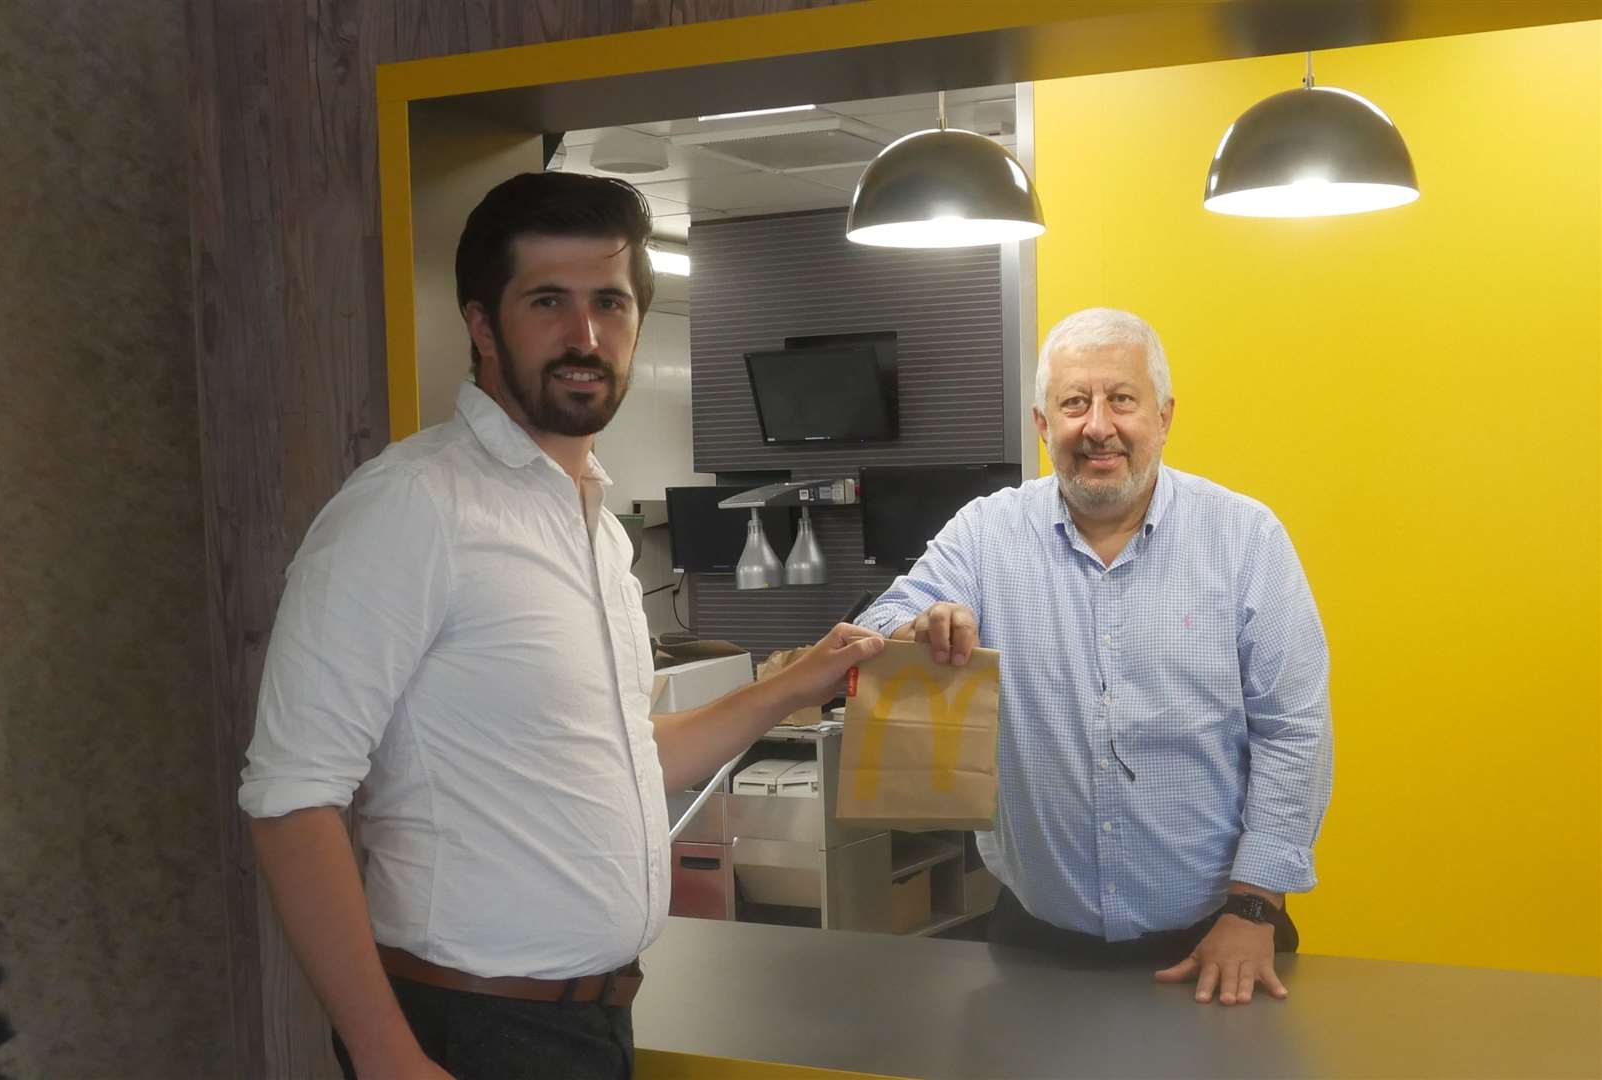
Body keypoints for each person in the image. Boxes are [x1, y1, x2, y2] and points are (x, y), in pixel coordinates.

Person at [238, 171, 883, 1080]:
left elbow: (624, 757)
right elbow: (289, 798)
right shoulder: (412, 506)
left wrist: (796, 680)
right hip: (466, 1030)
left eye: (610, 304)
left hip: (585, 1024)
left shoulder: (589, 526)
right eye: (548, 301)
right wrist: (387, 1055)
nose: (585, 337)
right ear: (481, 323)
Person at [856, 307, 1331, 1007]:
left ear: (1164, 417)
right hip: (1037, 938)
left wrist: (1254, 908)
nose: (1098, 426)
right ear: (1044, 424)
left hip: (1217, 940)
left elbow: (1294, 732)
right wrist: (918, 628)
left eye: (1122, 400)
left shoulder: (1246, 540)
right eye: (1074, 403)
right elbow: (875, 630)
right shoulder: (987, 533)